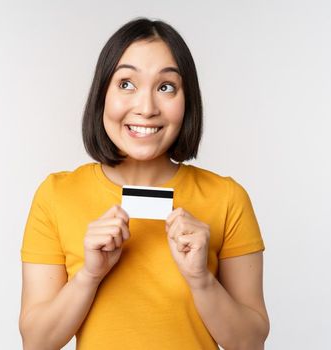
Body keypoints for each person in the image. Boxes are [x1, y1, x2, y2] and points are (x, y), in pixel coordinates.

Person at [18, 18, 269, 350]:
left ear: (187, 99)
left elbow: (250, 344)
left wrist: (201, 280)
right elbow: (36, 342)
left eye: (166, 87)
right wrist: (89, 276)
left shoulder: (227, 198)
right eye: (126, 84)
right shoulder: (56, 195)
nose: (147, 108)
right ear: (102, 94)